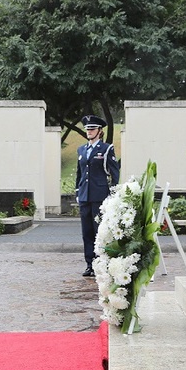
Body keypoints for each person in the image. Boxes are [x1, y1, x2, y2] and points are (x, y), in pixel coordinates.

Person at [75, 114, 120, 277]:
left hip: (100, 196)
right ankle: (89, 264)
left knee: (100, 231)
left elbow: (114, 173)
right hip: (85, 195)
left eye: (92, 129)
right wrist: (77, 192)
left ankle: (101, 262)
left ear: (99, 131)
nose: (89, 131)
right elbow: (79, 174)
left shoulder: (106, 149)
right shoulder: (81, 150)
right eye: (87, 129)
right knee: (86, 231)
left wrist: (113, 194)